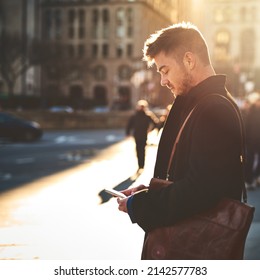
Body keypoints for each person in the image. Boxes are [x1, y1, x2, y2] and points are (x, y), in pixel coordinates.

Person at [117, 22, 245, 259]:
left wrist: (142, 205)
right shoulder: (202, 102)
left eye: (165, 70)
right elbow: (194, 177)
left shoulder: (213, 107)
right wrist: (150, 192)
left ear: (189, 60)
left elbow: (201, 190)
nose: (163, 81)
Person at [126, 99, 158, 172]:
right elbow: (129, 125)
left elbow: (155, 123)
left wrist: (150, 130)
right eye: (140, 106)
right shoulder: (134, 116)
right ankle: (139, 165)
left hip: (144, 136)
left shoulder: (148, 115)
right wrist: (127, 133)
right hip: (136, 135)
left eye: (143, 106)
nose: (141, 108)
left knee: (142, 150)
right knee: (138, 150)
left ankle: (142, 165)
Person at [244, 97, 260, 190]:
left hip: (258, 141)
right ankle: (249, 181)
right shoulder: (251, 111)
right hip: (250, 141)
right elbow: (246, 126)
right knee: (249, 160)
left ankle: (256, 178)